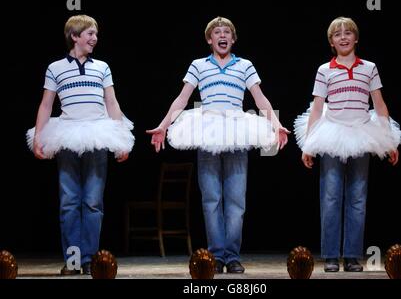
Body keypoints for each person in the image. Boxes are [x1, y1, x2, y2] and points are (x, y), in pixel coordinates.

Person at [146, 16, 290, 274]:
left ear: (233, 39)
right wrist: (164, 124)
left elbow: (260, 99)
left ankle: (232, 256)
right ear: (209, 39)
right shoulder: (199, 65)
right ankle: (216, 255)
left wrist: (276, 124)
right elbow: (182, 98)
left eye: (227, 32)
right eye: (217, 32)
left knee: (236, 199)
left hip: (236, 129)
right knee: (211, 198)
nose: (222, 36)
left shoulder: (245, 65)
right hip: (208, 130)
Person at [294, 17, 401, 272]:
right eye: (337, 34)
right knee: (331, 196)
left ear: (356, 38)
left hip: (362, 133)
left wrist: (388, 140)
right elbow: (317, 107)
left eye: (348, 33)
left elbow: (379, 103)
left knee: (357, 198)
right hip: (333, 134)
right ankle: (332, 255)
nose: (343, 37)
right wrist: (308, 144)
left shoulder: (369, 67)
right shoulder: (325, 70)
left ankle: (352, 255)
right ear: (331, 42)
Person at [26, 15, 134, 275]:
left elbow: (112, 103)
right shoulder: (55, 68)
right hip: (68, 136)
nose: (94, 38)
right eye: (89, 34)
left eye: (95, 34)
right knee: (69, 201)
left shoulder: (102, 67)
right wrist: (39, 136)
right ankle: (74, 260)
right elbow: (46, 104)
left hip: (97, 133)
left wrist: (120, 137)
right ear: (74, 36)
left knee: (93, 201)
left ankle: (90, 259)